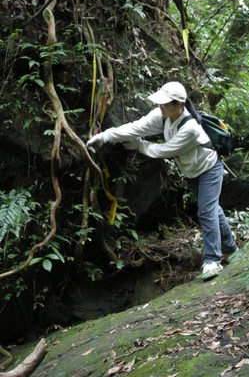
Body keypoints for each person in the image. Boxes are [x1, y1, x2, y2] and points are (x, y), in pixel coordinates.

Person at [87, 81, 237, 280]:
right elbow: (137, 127)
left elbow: (164, 151)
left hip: (209, 169)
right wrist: (106, 136)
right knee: (211, 207)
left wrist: (140, 146)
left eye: (165, 104)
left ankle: (212, 260)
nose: (160, 107)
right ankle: (230, 247)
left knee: (206, 210)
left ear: (179, 104)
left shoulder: (190, 127)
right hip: (192, 172)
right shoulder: (162, 116)